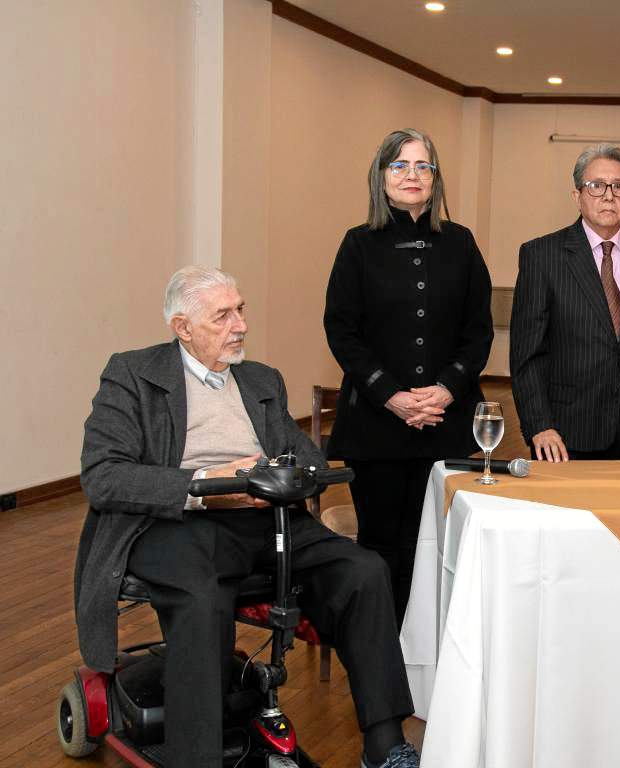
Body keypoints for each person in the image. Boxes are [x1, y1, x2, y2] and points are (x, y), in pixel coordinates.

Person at [77, 266, 419, 768]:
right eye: (223, 315)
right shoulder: (133, 374)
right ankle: (198, 758)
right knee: (201, 594)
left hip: (266, 518)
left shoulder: (260, 380)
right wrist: (207, 483)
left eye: (241, 310)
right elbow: (104, 476)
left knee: (364, 571)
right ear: (183, 327)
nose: (240, 324)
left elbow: (310, 460)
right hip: (179, 521)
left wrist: (280, 477)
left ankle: (386, 746)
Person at [324, 128, 493, 622]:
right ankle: (386, 666)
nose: (412, 175)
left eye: (423, 166)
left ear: (436, 179)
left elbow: (478, 331)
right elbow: (341, 331)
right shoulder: (358, 245)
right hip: (376, 429)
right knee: (384, 551)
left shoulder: (460, 243)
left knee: (445, 549)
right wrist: (392, 396)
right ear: (381, 176)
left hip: (449, 424)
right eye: (399, 165)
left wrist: (444, 390)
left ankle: (441, 664)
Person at [509, 143, 620, 461]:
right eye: (596, 186)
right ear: (577, 196)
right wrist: (540, 425)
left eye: (619, 187)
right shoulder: (541, 256)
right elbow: (527, 355)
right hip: (565, 435)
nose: (608, 195)